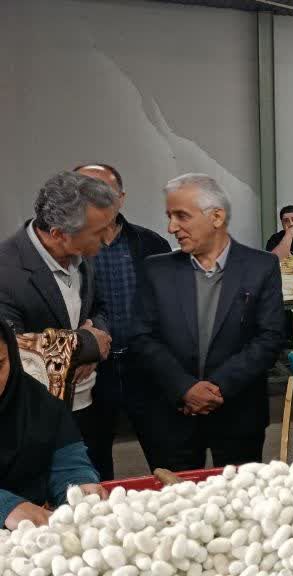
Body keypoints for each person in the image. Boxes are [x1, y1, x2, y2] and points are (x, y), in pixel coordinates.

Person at [131, 173, 286, 471]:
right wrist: (185, 388)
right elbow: (142, 337)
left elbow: (270, 337)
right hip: (173, 415)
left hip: (239, 413)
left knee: (239, 496)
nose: (171, 227)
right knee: (177, 497)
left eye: (181, 216)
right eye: (169, 216)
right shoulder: (156, 270)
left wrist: (217, 387)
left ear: (216, 217)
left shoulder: (261, 266)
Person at [0, 171, 116, 479]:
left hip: (90, 406)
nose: (107, 239)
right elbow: (19, 351)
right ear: (58, 233)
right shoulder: (5, 273)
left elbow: (100, 308)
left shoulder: (82, 252)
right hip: (38, 420)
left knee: (99, 488)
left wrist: (96, 338)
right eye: (99, 232)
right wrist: (87, 345)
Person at [77, 163, 171, 477]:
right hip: (91, 371)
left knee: (166, 457)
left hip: (145, 368)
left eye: (103, 191)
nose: (95, 199)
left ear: (121, 197)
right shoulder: (69, 250)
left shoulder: (151, 244)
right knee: (93, 464)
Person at [0, 321, 106, 530]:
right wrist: (6, 506)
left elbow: (69, 464)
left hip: (37, 535)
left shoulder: (36, 404)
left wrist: (80, 489)